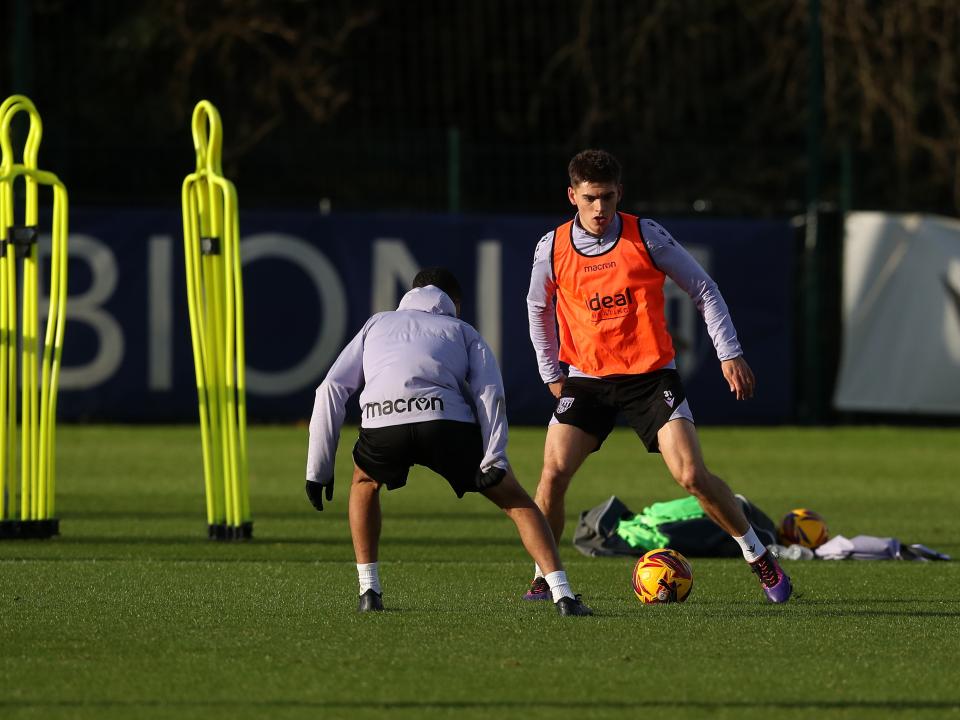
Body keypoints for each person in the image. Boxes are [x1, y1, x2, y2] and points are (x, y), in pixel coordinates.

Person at [524, 149, 792, 603]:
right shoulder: (552, 247)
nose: (599, 209)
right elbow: (537, 307)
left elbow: (704, 289)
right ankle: (545, 576)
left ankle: (757, 554)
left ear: (619, 193)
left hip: (650, 377)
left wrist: (729, 353)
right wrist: (552, 372)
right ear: (572, 195)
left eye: (607, 197)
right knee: (552, 474)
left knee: (691, 476)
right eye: (590, 198)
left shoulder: (645, 235)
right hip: (587, 379)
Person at [306, 266, 592, 616]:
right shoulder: (462, 329)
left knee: (364, 482)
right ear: (454, 303)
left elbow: (331, 388)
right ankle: (562, 596)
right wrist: (495, 457)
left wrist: (318, 468)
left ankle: (369, 592)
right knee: (517, 502)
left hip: (383, 424)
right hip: (445, 423)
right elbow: (491, 394)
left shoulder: (376, 324)